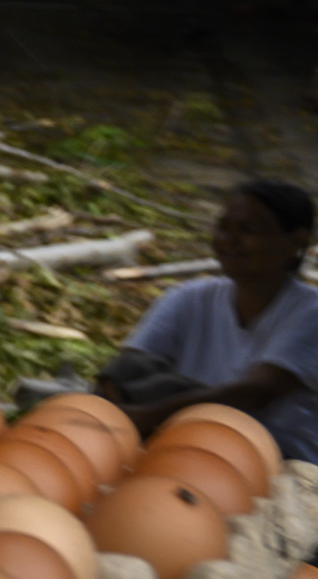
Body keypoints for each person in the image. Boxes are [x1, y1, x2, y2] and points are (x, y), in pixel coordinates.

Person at [97, 181, 317, 466]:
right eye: (224, 227)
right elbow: (128, 368)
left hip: (278, 457)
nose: (230, 240)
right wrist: (104, 410)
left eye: (248, 230)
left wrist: (140, 419)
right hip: (186, 438)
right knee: (128, 372)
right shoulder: (187, 298)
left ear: (295, 242)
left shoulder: (310, 313)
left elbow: (254, 393)